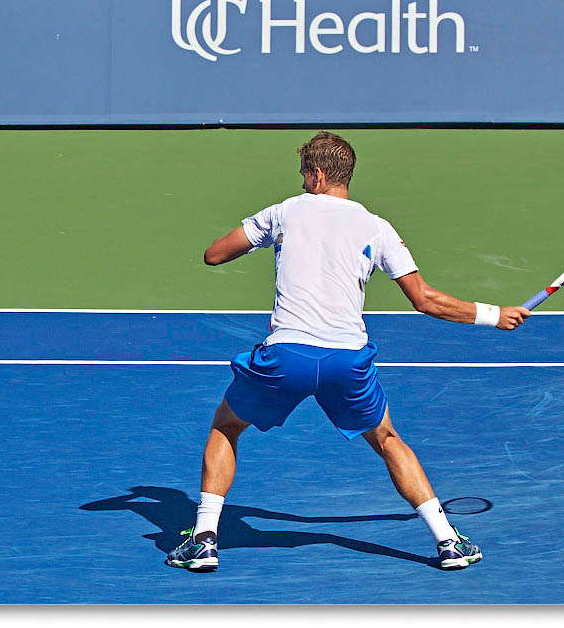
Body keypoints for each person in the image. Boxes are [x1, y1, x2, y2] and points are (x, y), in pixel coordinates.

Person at [166, 132, 530, 573]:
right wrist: (494, 315)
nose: (302, 182)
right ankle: (448, 542)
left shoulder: (283, 212)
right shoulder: (378, 227)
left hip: (287, 357)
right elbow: (426, 299)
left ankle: (204, 540)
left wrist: (272, 238)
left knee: (226, 425)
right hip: (347, 361)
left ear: (318, 175)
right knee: (388, 439)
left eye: (304, 174)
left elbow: (214, 255)